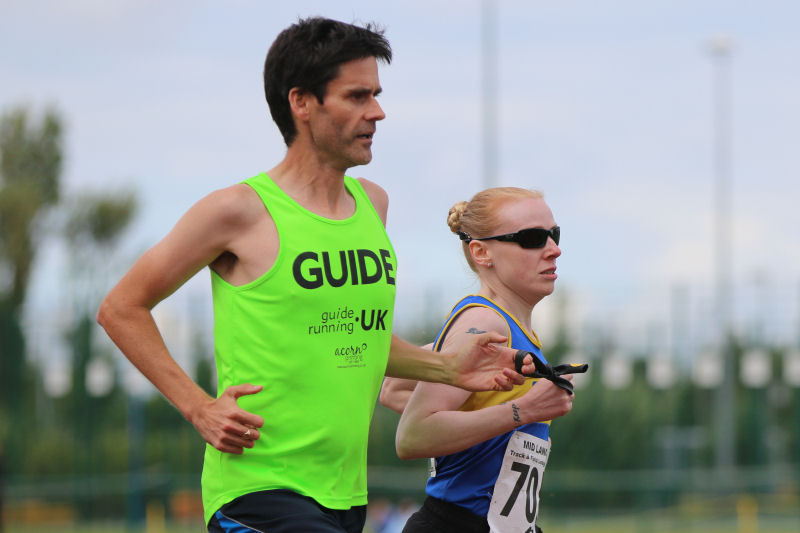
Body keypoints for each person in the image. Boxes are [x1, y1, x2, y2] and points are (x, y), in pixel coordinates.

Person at [97, 17, 536, 533]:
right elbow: (121, 307)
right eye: (356, 97)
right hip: (258, 490)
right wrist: (198, 407)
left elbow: (351, 332)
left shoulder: (373, 205)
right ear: (301, 102)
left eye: (376, 94)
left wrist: (447, 368)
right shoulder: (238, 211)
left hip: (346, 494)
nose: (377, 112)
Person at [382, 187, 586, 533]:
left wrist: (478, 417)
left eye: (554, 234)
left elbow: (393, 388)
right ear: (481, 252)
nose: (554, 249)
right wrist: (525, 410)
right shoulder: (486, 324)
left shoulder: (502, 326)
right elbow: (412, 436)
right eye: (533, 238)